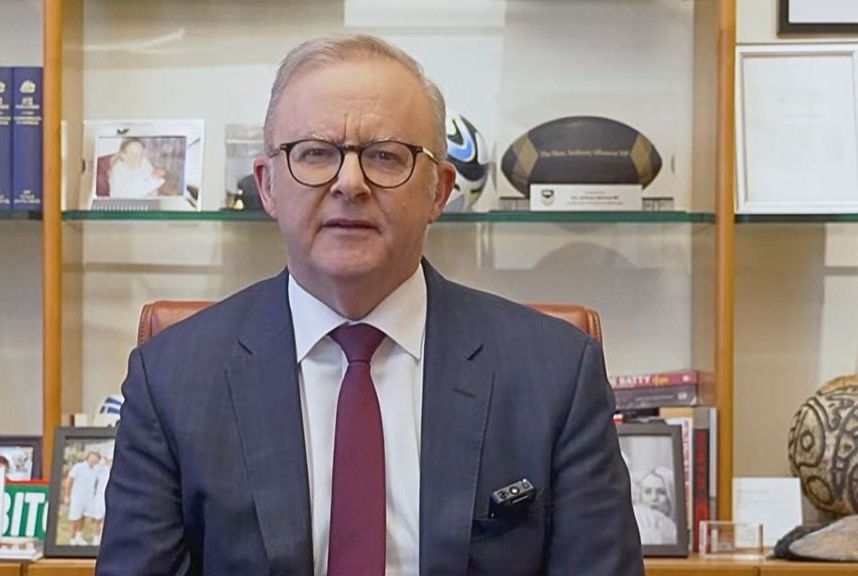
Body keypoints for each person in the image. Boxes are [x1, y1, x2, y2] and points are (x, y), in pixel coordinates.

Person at [96, 34, 643, 575]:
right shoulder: (170, 379)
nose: (349, 183)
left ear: (439, 191)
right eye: (314, 154)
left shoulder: (556, 374)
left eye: (385, 156)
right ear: (267, 187)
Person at [63, 451, 100, 546]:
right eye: (92, 458)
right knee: (74, 518)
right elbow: (69, 481)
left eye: (95, 459)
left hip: (89, 497)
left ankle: (78, 537)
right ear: (88, 458)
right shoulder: (78, 467)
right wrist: (67, 495)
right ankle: (72, 538)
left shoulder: (96, 469)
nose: (93, 460)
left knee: (82, 518)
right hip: (77, 497)